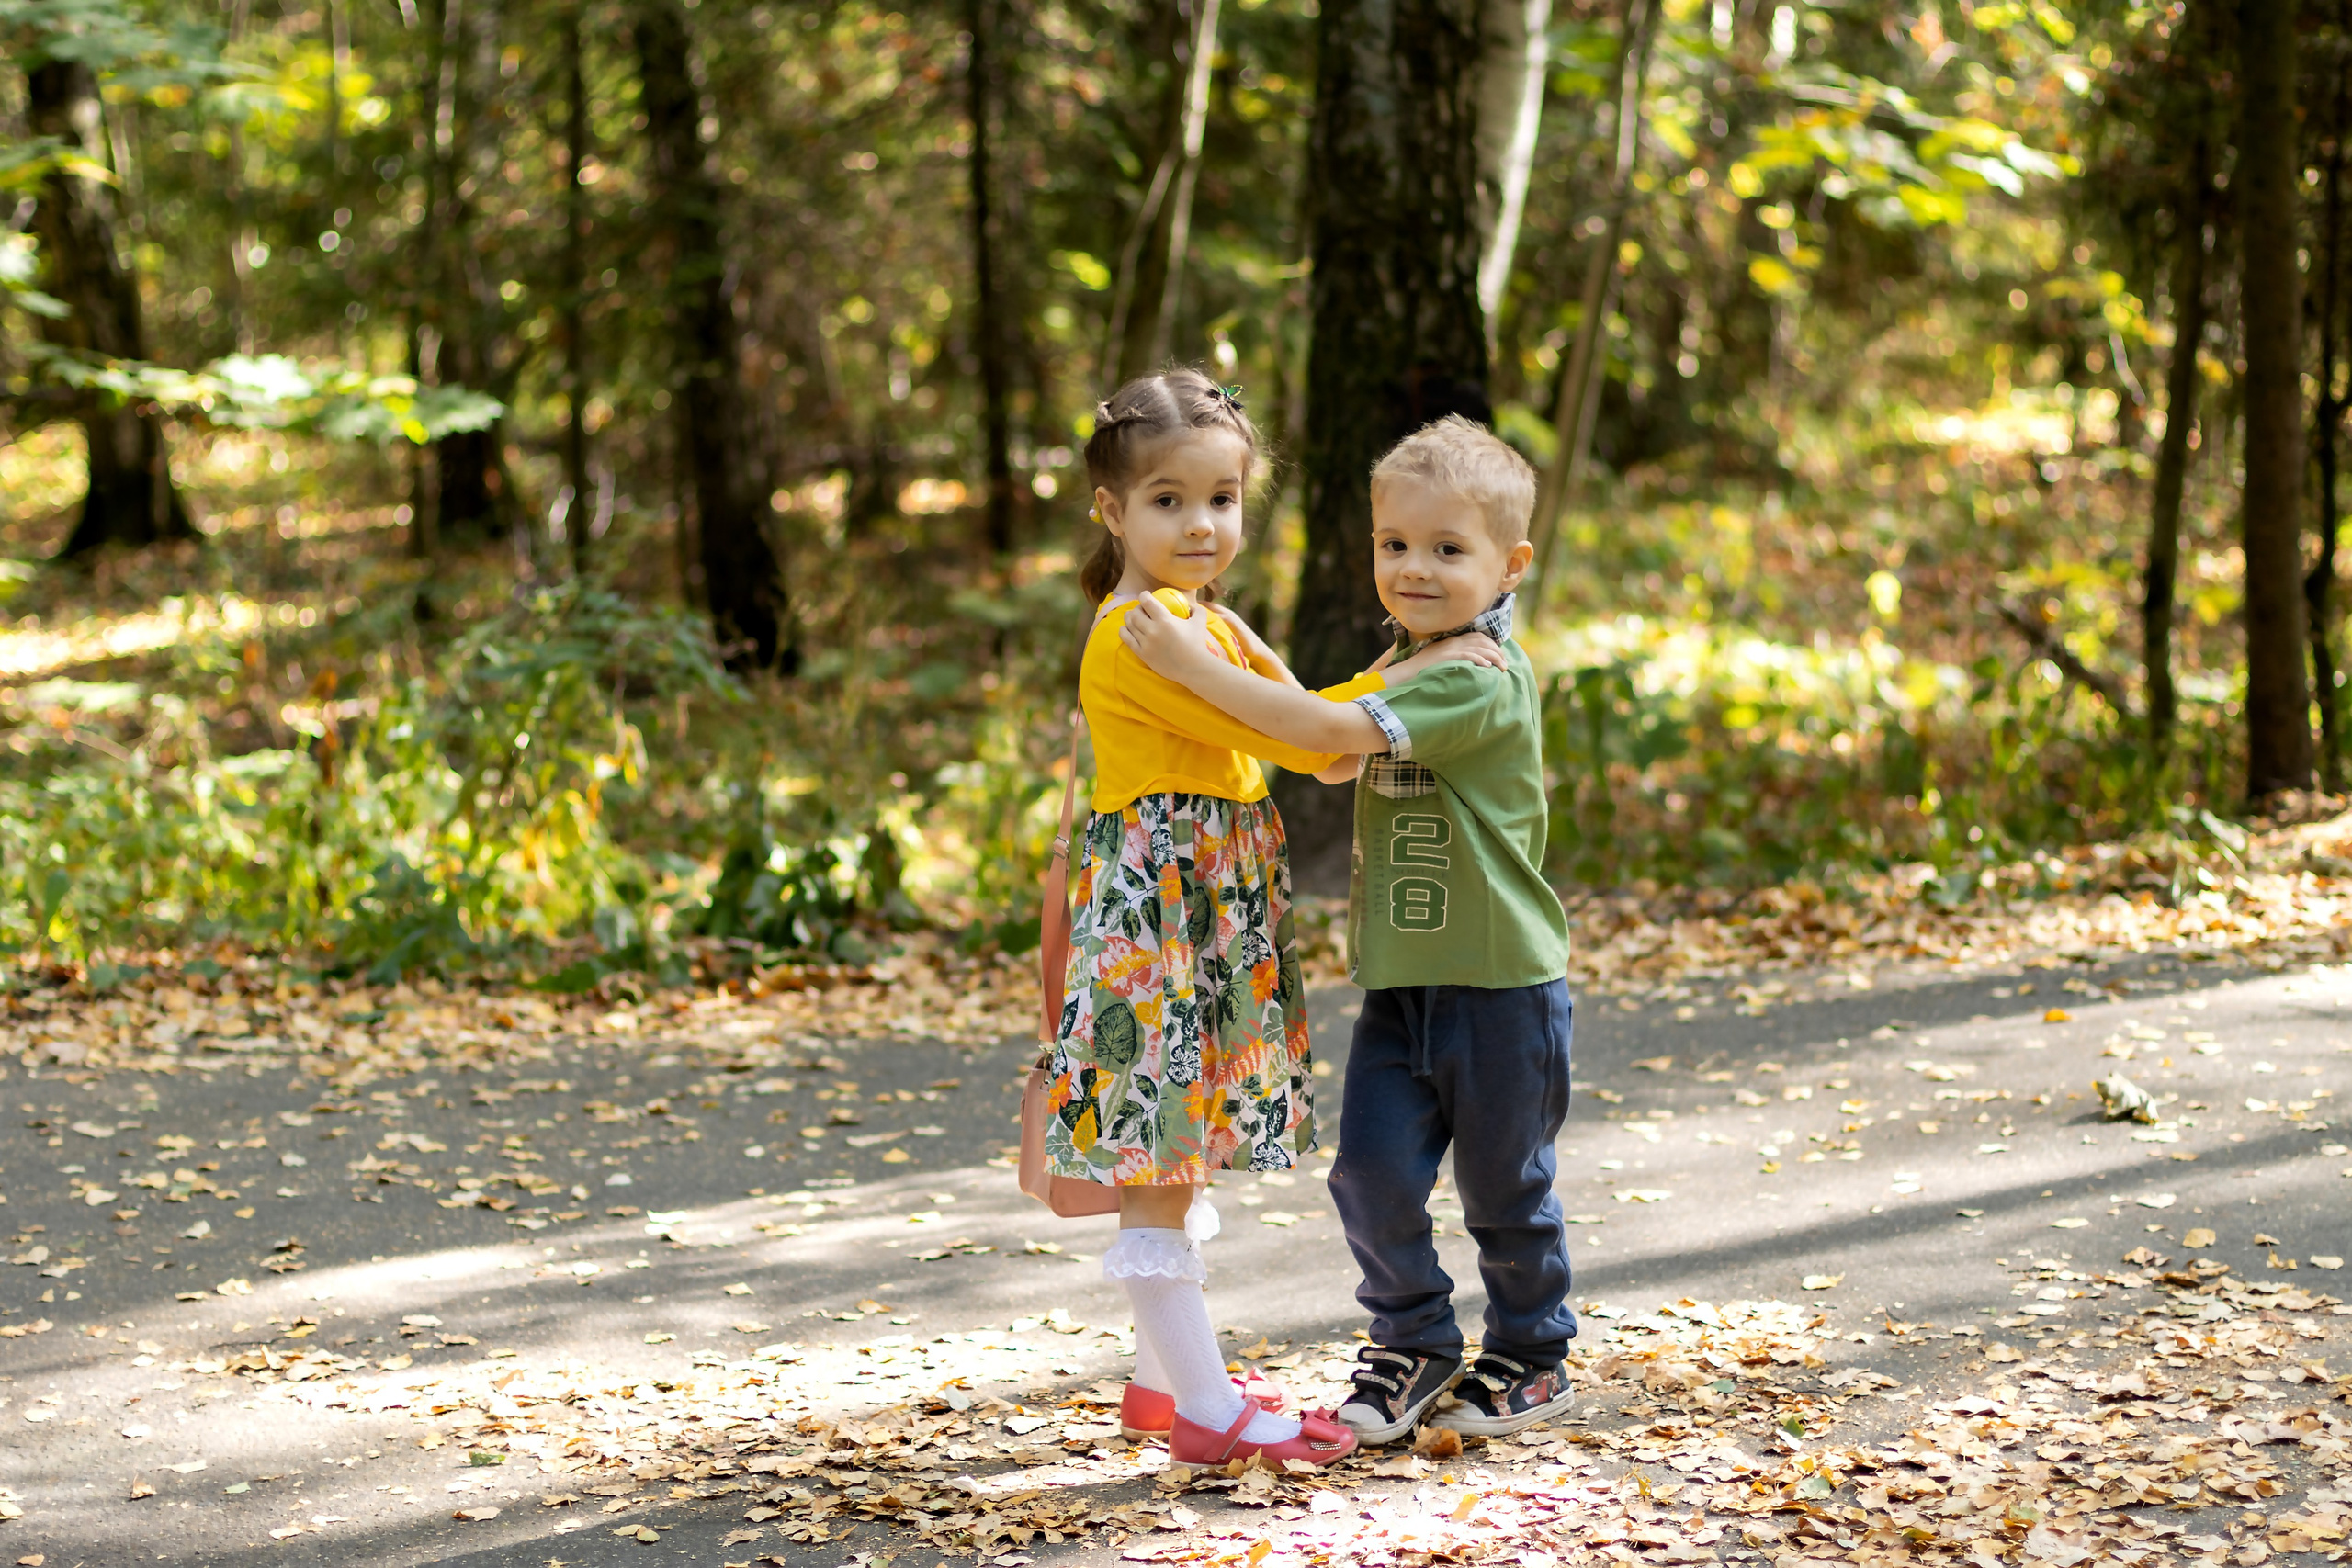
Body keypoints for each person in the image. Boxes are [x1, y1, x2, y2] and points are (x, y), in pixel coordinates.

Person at [1049, 371, 1500, 1470]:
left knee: (1184, 1138)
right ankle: (1205, 1413)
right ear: (1112, 510)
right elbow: (1312, 742)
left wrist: (1425, 660)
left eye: (1222, 498)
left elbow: (1325, 734)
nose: (1200, 525)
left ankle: (1164, 1385)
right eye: (1167, 501)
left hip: (1210, 901)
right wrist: (1407, 679)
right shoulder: (1139, 633)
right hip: (1161, 915)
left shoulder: (1205, 622)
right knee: (1160, 1155)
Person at [1119, 414, 1577, 1445]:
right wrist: (1234, 653)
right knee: (1369, 1174)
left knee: (1505, 1189)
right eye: (1394, 544)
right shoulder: (1412, 659)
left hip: (1501, 986)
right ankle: (1414, 1341)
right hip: (1405, 983)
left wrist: (1193, 664)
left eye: (1447, 549)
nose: (1414, 568)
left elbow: (1327, 731)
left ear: (1510, 566)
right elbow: (1325, 748)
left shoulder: (1475, 675)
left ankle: (1532, 1350)